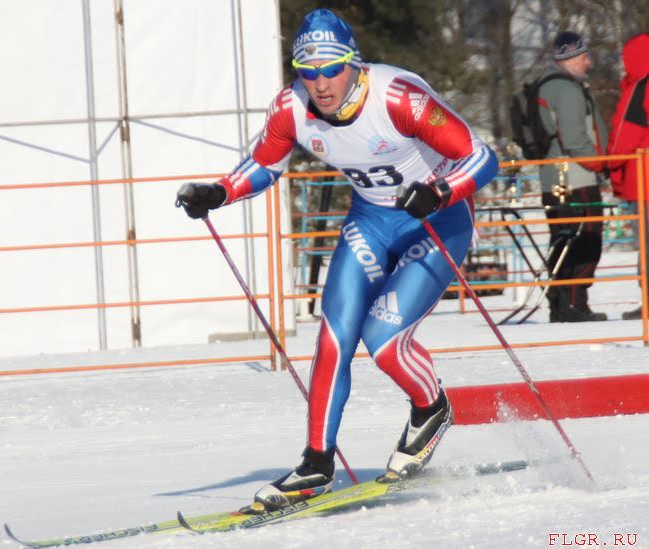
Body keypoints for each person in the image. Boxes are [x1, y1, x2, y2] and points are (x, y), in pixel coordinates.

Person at [176, 8, 498, 511]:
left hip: (437, 220)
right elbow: (264, 164)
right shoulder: (291, 107)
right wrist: (218, 192)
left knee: (383, 340)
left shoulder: (397, 97)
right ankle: (316, 463)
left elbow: (482, 157)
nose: (321, 83)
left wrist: (440, 192)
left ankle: (430, 407)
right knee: (334, 333)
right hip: (371, 220)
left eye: (331, 69)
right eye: (308, 71)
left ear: (353, 64)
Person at [538, 31, 609, 322]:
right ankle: (575, 303)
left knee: (563, 240)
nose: (588, 62)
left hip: (554, 177)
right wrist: (601, 164)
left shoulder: (546, 85)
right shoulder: (567, 90)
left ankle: (560, 304)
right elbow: (575, 139)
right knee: (586, 239)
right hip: (575, 179)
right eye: (583, 57)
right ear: (569, 57)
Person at [606, 33, 649, 321]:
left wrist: (608, 163)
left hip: (644, 180)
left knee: (646, 243)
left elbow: (625, 136)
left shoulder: (641, 86)